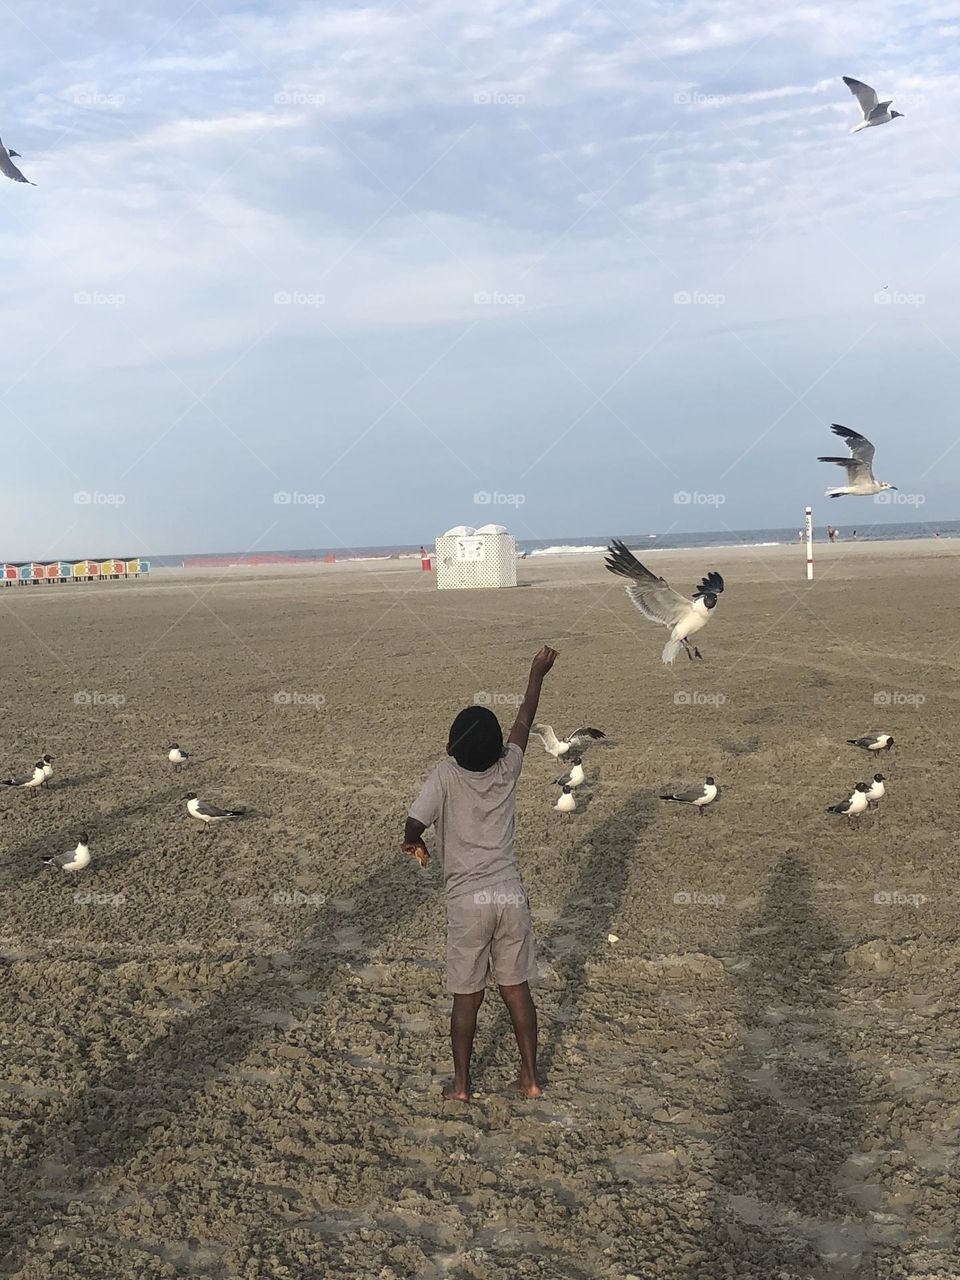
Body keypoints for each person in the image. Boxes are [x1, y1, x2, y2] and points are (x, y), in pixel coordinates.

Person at [403, 644, 558, 1101]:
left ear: (454, 746)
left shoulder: (446, 775)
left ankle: (463, 1086)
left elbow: (415, 822)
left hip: (468, 902)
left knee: (467, 997)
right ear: (496, 748)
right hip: (509, 895)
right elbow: (525, 718)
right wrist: (536, 674)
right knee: (517, 990)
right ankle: (530, 1079)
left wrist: (416, 841)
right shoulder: (509, 767)